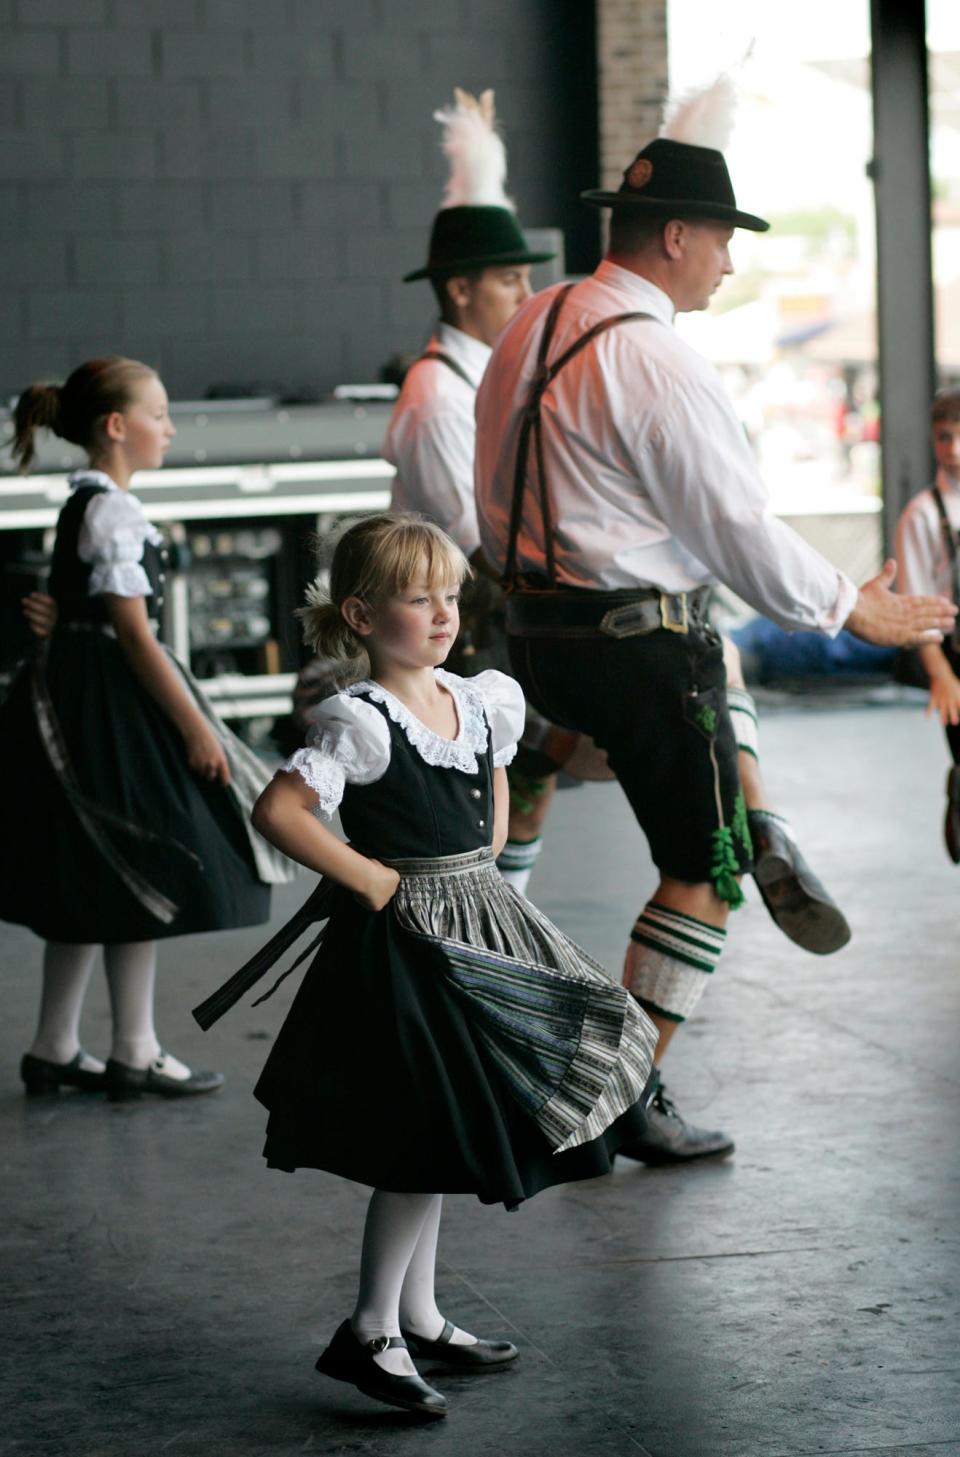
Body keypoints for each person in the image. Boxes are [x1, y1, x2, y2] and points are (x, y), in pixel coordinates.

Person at [474, 76, 956, 1165]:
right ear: (679, 235)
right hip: (635, 642)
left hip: (534, 633)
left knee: (646, 702)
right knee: (703, 870)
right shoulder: (655, 358)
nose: (731, 262)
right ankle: (616, 1096)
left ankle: (754, 806)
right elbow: (737, 524)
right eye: (726, 239)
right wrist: (853, 607)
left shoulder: (535, 322)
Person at [193, 513, 658, 1418]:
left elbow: (487, 821)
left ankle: (420, 1311)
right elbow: (281, 812)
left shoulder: (479, 700)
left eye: (449, 595)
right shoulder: (361, 721)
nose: (443, 613)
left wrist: (476, 878)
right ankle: (371, 1328)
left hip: (475, 923)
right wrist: (373, 876)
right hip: (405, 949)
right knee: (418, 1138)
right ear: (364, 617)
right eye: (418, 599)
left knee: (441, 1130)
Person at [0, 357, 293, 1101]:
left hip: (76, 701)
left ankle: (56, 1042)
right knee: (138, 866)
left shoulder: (88, 505)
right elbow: (135, 637)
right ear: (116, 427)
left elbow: (92, 613)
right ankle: (134, 1047)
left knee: (96, 872)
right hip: (109, 709)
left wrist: (63, 616)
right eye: (159, 414)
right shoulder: (114, 513)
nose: (170, 426)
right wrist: (196, 726)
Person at [386, 87, 562, 895]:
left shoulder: (480, 380)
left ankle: (507, 922)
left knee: (526, 787)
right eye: (509, 280)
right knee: (481, 803)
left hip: (482, 608)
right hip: (453, 619)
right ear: (460, 290)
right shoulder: (436, 396)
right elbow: (474, 540)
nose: (525, 296)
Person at [894, 386, 960, 860]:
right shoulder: (922, 516)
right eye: (943, 437)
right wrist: (941, 674)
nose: (953, 449)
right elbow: (918, 610)